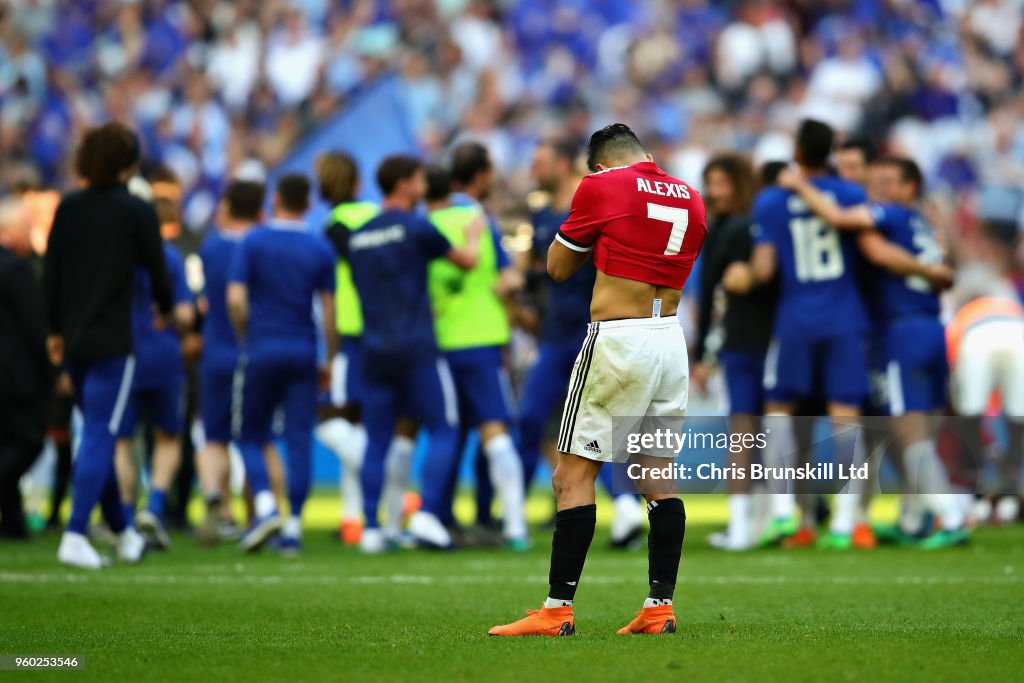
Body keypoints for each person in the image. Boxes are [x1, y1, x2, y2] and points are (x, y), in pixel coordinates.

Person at [490, 123, 707, 637]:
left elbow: (558, 267)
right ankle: (659, 607)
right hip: (669, 337)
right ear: (645, 155)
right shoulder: (691, 197)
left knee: (572, 474)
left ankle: (556, 610)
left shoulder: (601, 186)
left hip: (619, 338)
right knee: (656, 474)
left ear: (600, 164)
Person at [780, 156, 966, 547]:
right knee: (915, 430)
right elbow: (945, 266)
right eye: (875, 179)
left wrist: (800, 186)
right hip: (932, 327)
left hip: (902, 333)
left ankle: (951, 515)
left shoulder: (888, 215)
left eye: (887, 180)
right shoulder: (921, 221)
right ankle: (916, 521)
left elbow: (853, 231)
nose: (877, 186)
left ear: (909, 186)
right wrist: (936, 271)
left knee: (907, 429)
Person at [328, 155, 479, 553]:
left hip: (373, 349)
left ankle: (373, 528)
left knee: (377, 439)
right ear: (403, 184)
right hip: (416, 346)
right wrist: (475, 234)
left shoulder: (359, 237)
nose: (423, 185)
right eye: (417, 179)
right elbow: (466, 263)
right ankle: (428, 513)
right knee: (444, 427)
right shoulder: (415, 227)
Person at [45, 122, 164, 568]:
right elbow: (156, 266)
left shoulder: (68, 207)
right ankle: (75, 533)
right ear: (128, 163)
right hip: (114, 339)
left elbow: (52, 273)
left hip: (73, 339)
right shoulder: (135, 210)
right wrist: (167, 307)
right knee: (101, 432)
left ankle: (123, 531)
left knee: (99, 429)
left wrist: (53, 331)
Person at [520, 139, 645, 548]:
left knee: (594, 427)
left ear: (561, 162)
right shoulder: (539, 212)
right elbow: (542, 272)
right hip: (554, 334)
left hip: (589, 331)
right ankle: (520, 510)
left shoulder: (591, 201)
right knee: (538, 420)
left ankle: (625, 507)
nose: (533, 168)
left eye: (539, 159)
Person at [227, 173, 337, 554]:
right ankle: (292, 528)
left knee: (249, 434)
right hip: (304, 350)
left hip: (262, 347)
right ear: (308, 203)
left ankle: (264, 504)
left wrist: (246, 335)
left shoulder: (254, 240)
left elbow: (236, 299)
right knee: (298, 438)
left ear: (275, 200)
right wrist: (331, 357)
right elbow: (329, 310)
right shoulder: (319, 247)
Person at [426, 164, 528, 549]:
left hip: (440, 342)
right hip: (484, 338)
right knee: (494, 432)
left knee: (445, 433)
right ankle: (515, 528)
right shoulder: (477, 220)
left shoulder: (422, 226)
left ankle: (436, 520)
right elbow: (509, 279)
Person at [692, 152, 772, 551]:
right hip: (763, 340)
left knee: (744, 433)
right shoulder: (742, 225)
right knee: (763, 433)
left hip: (744, 342)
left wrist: (704, 356)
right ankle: (764, 522)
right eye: (710, 183)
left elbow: (716, 298)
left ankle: (744, 527)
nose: (713, 192)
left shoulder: (735, 228)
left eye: (721, 183)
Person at [113, 182, 195, 550]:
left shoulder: (117, 256)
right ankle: (156, 505)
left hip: (123, 354)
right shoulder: (171, 257)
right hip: (163, 356)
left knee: (122, 441)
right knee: (168, 437)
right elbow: (184, 313)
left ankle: (127, 516)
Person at [195, 178, 267, 546]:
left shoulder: (210, 248)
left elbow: (204, 300)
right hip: (255, 353)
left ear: (227, 207)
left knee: (214, 438)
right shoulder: (265, 245)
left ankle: (216, 501)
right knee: (259, 439)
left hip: (215, 351)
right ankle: (260, 516)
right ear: (260, 209)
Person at [315, 151, 380, 545]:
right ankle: (352, 517)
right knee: (362, 424)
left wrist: (331, 347)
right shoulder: (375, 214)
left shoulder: (334, 226)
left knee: (332, 419)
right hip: (381, 326)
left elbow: (333, 292)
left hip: (352, 331)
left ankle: (391, 488)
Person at [0, 198, 49, 539]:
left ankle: (14, 523)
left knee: (5, 442)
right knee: (29, 441)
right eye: (25, 228)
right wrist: (51, 371)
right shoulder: (15, 269)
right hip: (16, 375)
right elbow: (35, 326)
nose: (30, 236)